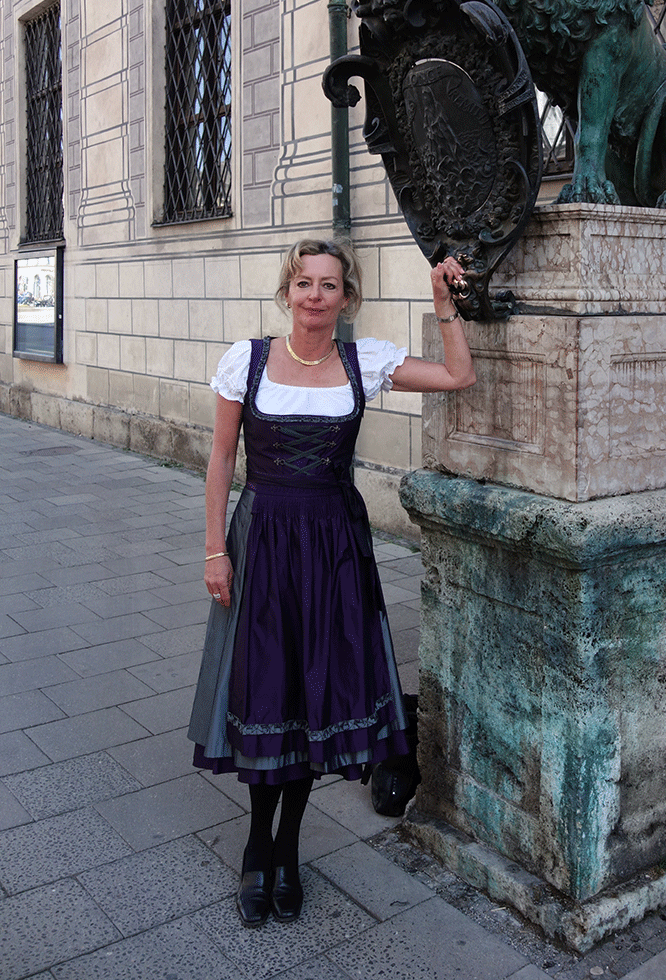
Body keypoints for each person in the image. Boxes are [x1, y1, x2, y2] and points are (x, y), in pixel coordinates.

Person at [188, 238, 475, 928]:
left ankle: (287, 850)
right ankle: (260, 847)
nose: (316, 295)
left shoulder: (362, 361)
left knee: (317, 689)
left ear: (347, 297)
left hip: (335, 547)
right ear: (287, 291)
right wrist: (213, 551)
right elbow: (223, 457)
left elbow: (458, 377)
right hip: (263, 540)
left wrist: (444, 305)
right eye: (304, 283)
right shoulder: (247, 360)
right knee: (268, 688)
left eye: (329, 285)